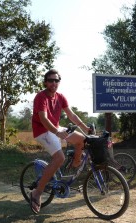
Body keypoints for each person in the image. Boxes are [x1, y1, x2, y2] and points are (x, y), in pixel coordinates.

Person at [30, 68, 91, 214]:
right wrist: (57, 132)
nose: (53, 83)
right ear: (45, 82)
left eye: (56, 80)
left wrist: (85, 128)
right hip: (43, 131)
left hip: (55, 128)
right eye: (50, 80)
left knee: (82, 140)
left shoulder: (60, 97)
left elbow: (71, 115)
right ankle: (37, 193)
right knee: (59, 158)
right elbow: (44, 119)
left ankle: (75, 165)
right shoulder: (41, 97)